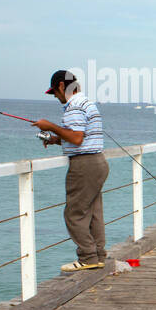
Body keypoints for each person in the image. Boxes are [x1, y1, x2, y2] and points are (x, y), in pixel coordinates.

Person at [33, 69, 108, 273]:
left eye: (54, 93)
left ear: (60, 87)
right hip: (98, 162)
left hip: (84, 166)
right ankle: (99, 256)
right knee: (93, 212)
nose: (55, 97)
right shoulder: (86, 103)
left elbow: (76, 138)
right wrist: (54, 139)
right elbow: (78, 136)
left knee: (74, 213)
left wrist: (49, 125)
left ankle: (87, 257)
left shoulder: (74, 106)